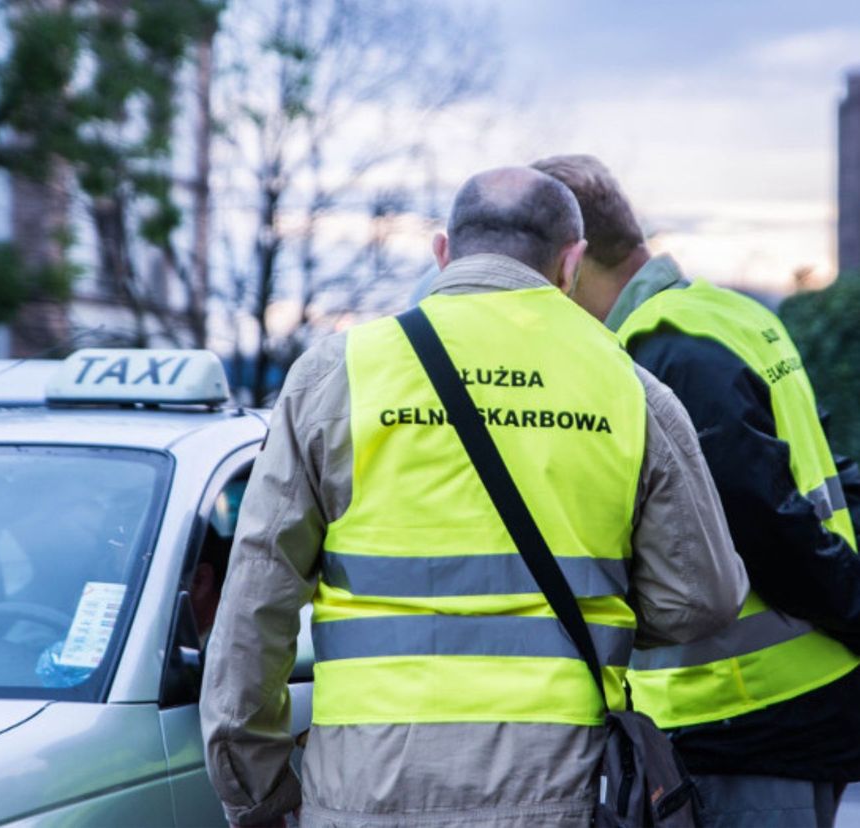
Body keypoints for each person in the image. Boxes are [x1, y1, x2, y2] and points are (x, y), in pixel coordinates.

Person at [200, 166, 747, 828]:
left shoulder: (335, 375)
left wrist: (259, 794)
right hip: (558, 790)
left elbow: (255, 609)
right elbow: (704, 597)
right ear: (571, 263)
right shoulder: (632, 392)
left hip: (365, 789)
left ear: (442, 252)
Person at [533, 153, 860, 827]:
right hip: (789, 705)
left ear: (571, 262)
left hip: (748, 719)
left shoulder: (663, 356)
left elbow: (763, 523)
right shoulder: (722, 315)